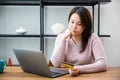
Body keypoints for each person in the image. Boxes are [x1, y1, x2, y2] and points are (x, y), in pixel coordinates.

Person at [50, 6, 108, 76]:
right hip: (66, 76)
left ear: (85, 26)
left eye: (79, 24)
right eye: (72, 22)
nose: (74, 26)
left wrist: (79, 69)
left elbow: (103, 64)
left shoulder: (93, 38)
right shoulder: (61, 37)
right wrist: (63, 39)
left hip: (88, 77)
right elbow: (54, 64)